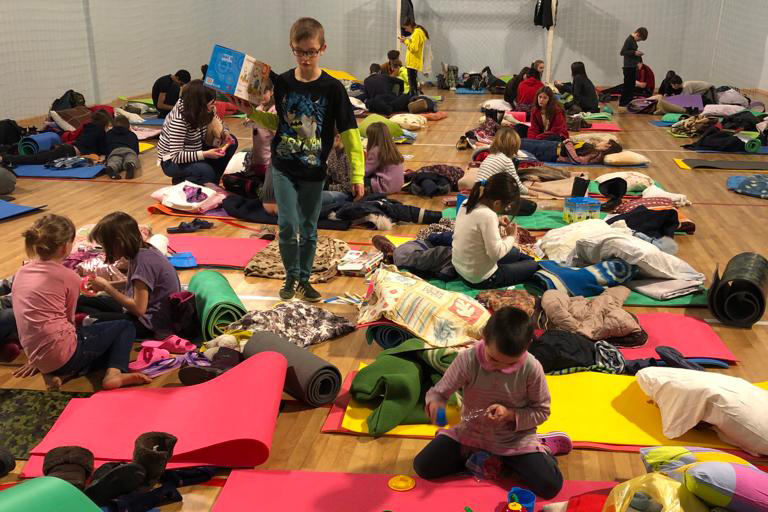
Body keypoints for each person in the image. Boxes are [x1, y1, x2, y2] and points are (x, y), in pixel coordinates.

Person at [235, 17, 365, 302]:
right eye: (299, 51)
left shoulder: (333, 88)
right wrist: (251, 112)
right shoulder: (282, 83)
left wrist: (357, 175)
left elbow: (350, 132)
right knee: (288, 225)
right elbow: (279, 121)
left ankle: (305, 279)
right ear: (291, 48)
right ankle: (291, 275)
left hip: (314, 170)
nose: (305, 58)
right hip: (283, 167)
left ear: (323, 48)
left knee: (308, 229)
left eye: (311, 52)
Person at [413, 307, 570, 499]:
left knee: (550, 486)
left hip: (513, 439)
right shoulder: (468, 359)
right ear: (484, 337)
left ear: (527, 346)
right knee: (423, 466)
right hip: (471, 434)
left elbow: (542, 411)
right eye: (493, 358)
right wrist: (437, 408)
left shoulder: (531, 368)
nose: (500, 367)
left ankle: (540, 446)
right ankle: (490, 459)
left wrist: (510, 414)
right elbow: (438, 394)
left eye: (511, 363)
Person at [11, 214, 150, 391]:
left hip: (36, 354)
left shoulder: (21, 272)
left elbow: (23, 316)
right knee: (124, 328)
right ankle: (114, 374)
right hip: (62, 355)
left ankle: (61, 373)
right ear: (64, 248)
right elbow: (69, 320)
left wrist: (38, 358)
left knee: (93, 337)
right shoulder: (68, 276)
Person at [78, 212, 181, 339]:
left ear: (118, 243)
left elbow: (139, 309)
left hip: (149, 323)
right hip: (145, 313)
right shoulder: (145, 250)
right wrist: (109, 284)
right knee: (82, 301)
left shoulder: (143, 262)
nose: (104, 250)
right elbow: (138, 283)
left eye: (105, 245)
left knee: (88, 321)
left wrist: (107, 288)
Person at [452, 173, 538, 289]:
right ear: (497, 203)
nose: (506, 209)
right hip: (480, 279)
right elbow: (496, 254)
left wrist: (497, 221)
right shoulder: (488, 215)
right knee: (533, 265)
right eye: (506, 206)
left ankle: (525, 262)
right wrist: (511, 236)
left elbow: (476, 223)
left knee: (515, 254)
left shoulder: (467, 203)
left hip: (461, 270)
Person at [157, 79, 239, 186]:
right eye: (211, 102)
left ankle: (212, 180)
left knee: (232, 143)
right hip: (172, 161)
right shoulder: (179, 120)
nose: (214, 105)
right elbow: (176, 156)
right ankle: (182, 181)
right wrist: (206, 154)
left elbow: (220, 123)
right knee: (205, 170)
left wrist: (225, 133)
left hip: (196, 147)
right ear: (200, 103)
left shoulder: (205, 110)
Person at [0, 111, 111, 167]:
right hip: (69, 151)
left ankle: (7, 153)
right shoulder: (99, 130)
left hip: (67, 149)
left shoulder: (90, 128)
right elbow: (102, 148)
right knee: (35, 159)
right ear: (104, 123)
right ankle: (5, 158)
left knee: (38, 156)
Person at [474, 127, 527, 195]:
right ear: (514, 146)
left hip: (477, 193)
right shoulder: (506, 161)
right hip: (489, 197)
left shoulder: (490, 156)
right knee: (530, 205)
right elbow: (517, 187)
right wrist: (530, 192)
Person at [364, 122, 404, 195]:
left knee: (354, 179)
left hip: (384, 186)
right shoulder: (392, 148)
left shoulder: (376, 151)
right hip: (397, 185)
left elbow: (365, 172)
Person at [103, 115, 140, 180]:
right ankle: (130, 164)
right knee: (131, 158)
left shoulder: (109, 133)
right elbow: (136, 149)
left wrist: (107, 155)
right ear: (128, 126)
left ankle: (111, 167)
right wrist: (135, 154)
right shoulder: (132, 134)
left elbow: (106, 146)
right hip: (129, 150)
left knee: (114, 160)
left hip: (114, 150)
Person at [619, 27, 648, 107]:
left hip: (631, 66)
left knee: (631, 86)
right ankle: (623, 103)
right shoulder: (629, 40)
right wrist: (635, 52)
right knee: (627, 86)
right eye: (640, 39)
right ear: (637, 34)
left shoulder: (633, 41)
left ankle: (628, 102)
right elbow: (622, 52)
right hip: (628, 67)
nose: (639, 41)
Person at [399, 18, 429, 96]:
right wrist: (407, 40)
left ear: (409, 25)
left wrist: (405, 41)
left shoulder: (416, 32)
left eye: (406, 28)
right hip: (414, 61)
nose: (406, 30)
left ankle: (413, 96)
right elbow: (414, 44)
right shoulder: (418, 32)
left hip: (413, 61)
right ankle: (413, 95)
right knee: (413, 80)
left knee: (412, 80)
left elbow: (414, 48)